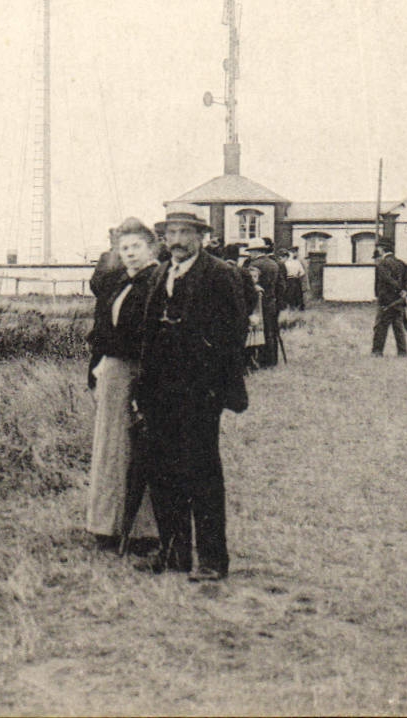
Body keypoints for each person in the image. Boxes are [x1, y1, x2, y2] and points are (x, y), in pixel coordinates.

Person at [135, 209, 249, 582]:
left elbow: (234, 333)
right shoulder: (159, 275)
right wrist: (144, 385)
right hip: (160, 391)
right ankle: (174, 552)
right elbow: (148, 334)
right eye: (171, 233)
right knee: (163, 471)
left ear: (201, 237)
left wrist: (216, 384)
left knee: (202, 473)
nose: (177, 240)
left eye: (185, 232)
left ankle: (212, 559)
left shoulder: (220, 274)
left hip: (200, 391)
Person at [85, 219, 159, 553]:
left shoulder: (158, 281)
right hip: (113, 373)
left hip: (145, 372)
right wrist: (97, 366)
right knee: (110, 447)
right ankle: (107, 526)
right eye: (124, 248)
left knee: (141, 448)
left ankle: (144, 531)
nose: (129, 253)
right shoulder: (118, 282)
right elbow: (102, 328)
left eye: (136, 246)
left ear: (151, 248)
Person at [244, 238, 283, 369]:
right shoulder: (274, 264)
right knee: (270, 330)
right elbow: (281, 286)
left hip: (257, 304)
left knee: (257, 331)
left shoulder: (253, 265)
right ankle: (272, 361)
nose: (250, 254)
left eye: (251, 251)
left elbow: (248, 285)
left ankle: (260, 360)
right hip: (271, 302)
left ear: (256, 251)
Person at [370, 238, 407, 357]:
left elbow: (388, 280)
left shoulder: (383, 264)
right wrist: (404, 291)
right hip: (399, 300)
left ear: (382, 249)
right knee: (398, 328)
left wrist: (399, 289)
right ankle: (402, 352)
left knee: (381, 327)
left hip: (386, 301)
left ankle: (377, 352)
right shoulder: (401, 263)